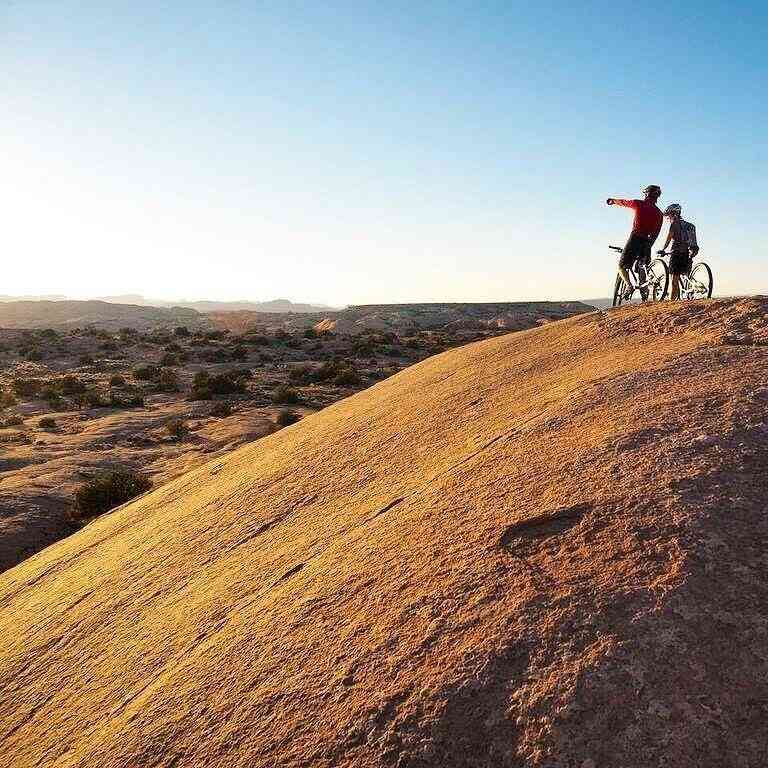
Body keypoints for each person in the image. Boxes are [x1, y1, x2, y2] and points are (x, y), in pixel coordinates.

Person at [606, 185, 664, 300]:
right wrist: (649, 245)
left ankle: (629, 286)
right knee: (642, 267)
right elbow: (657, 233)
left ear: (647, 194)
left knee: (621, 266)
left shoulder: (639, 204)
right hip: (648, 241)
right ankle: (644, 295)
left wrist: (612, 201)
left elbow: (623, 202)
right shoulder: (659, 213)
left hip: (635, 238)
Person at [660, 203, 699, 300]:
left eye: (668, 215)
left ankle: (672, 302)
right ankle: (688, 292)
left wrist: (663, 249)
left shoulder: (674, 224)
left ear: (673, 214)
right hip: (688, 252)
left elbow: (668, 239)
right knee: (685, 274)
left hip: (676, 253)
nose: (668, 218)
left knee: (674, 280)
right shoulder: (689, 225)